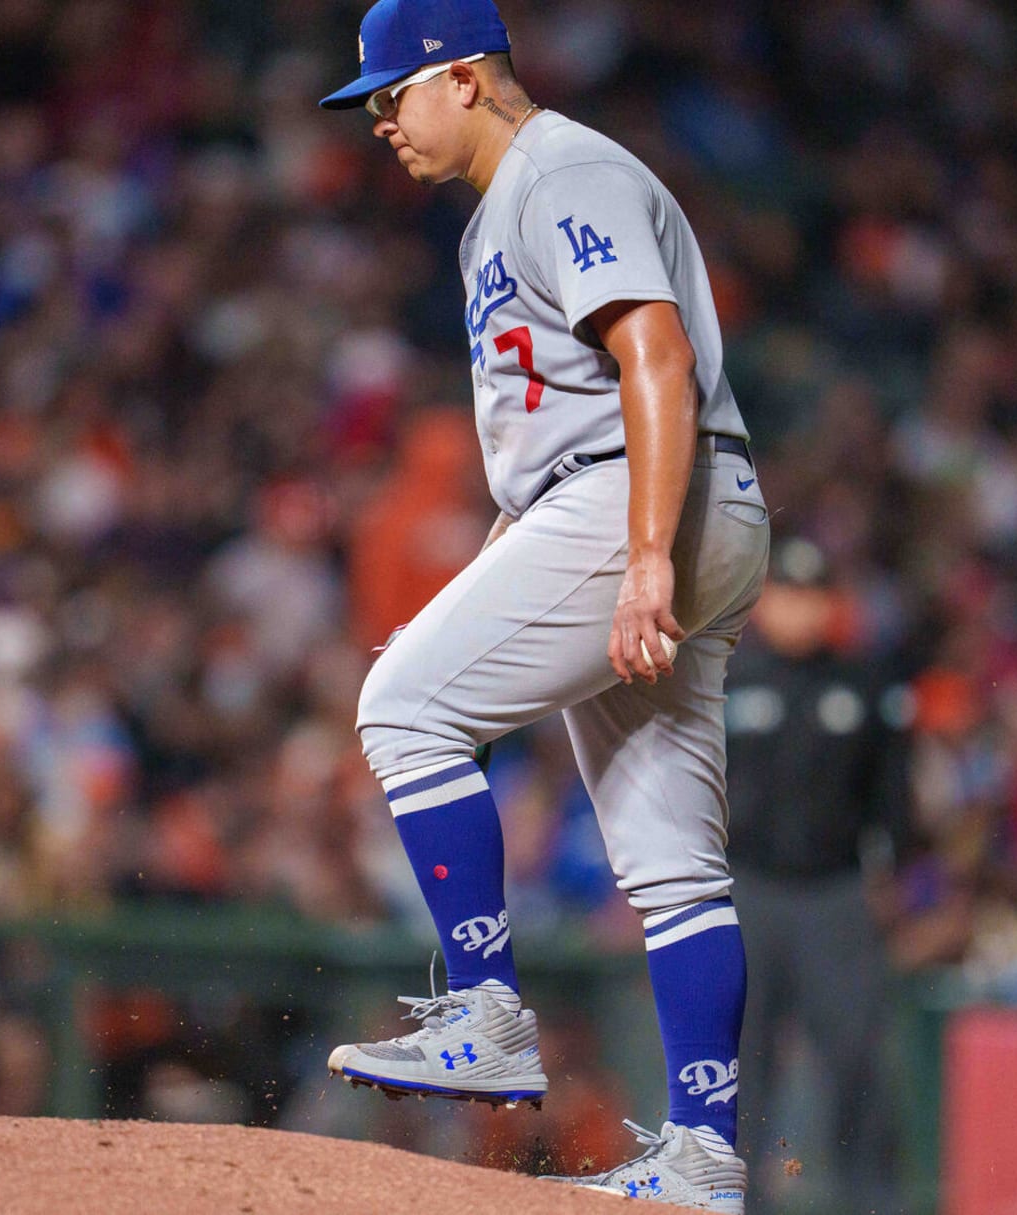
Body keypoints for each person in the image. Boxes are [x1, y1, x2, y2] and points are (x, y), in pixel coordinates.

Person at [317, 1, 769, 1209]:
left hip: (645, 494)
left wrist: (643, 558)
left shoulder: (561, 168)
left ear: (462, 77)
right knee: (673, 869)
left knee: (403, 707)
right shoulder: (503, 212)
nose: (377, 122)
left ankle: (485, 1015)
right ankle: (706, 1155)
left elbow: (655, 359)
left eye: (390, 94)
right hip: (652, 498)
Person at [725, 537, 910, 1214]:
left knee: (857, 1058)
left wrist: (892, 880)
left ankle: (873, 1200)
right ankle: (733, 1202)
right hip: (745, 889)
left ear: (832, 604)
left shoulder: (864, 686)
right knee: (741, 1065)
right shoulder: (730, 679)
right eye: (787, 593)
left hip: (834, 892)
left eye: (812, 595)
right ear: (766, 600)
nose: (799, 609)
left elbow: (894, 800)